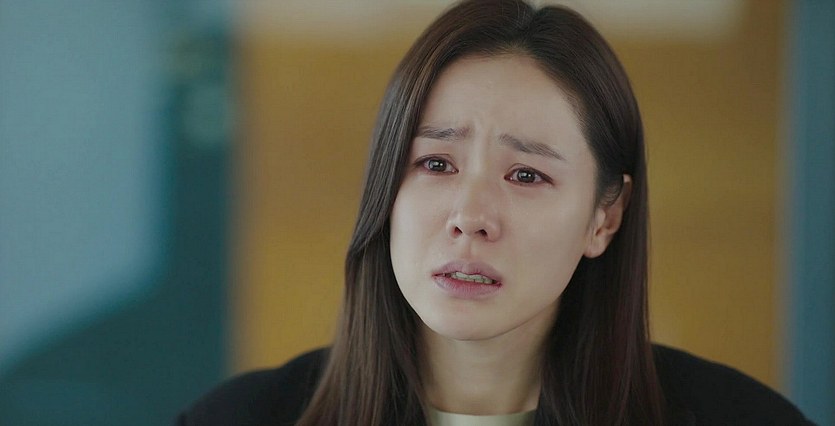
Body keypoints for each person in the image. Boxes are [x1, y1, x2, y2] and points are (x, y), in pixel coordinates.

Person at [177, 0, 812, 424]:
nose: (470, 215)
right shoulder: (236, 419)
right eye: (435, 163)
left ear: (605, 217)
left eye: (526, 175)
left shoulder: (740, 418)